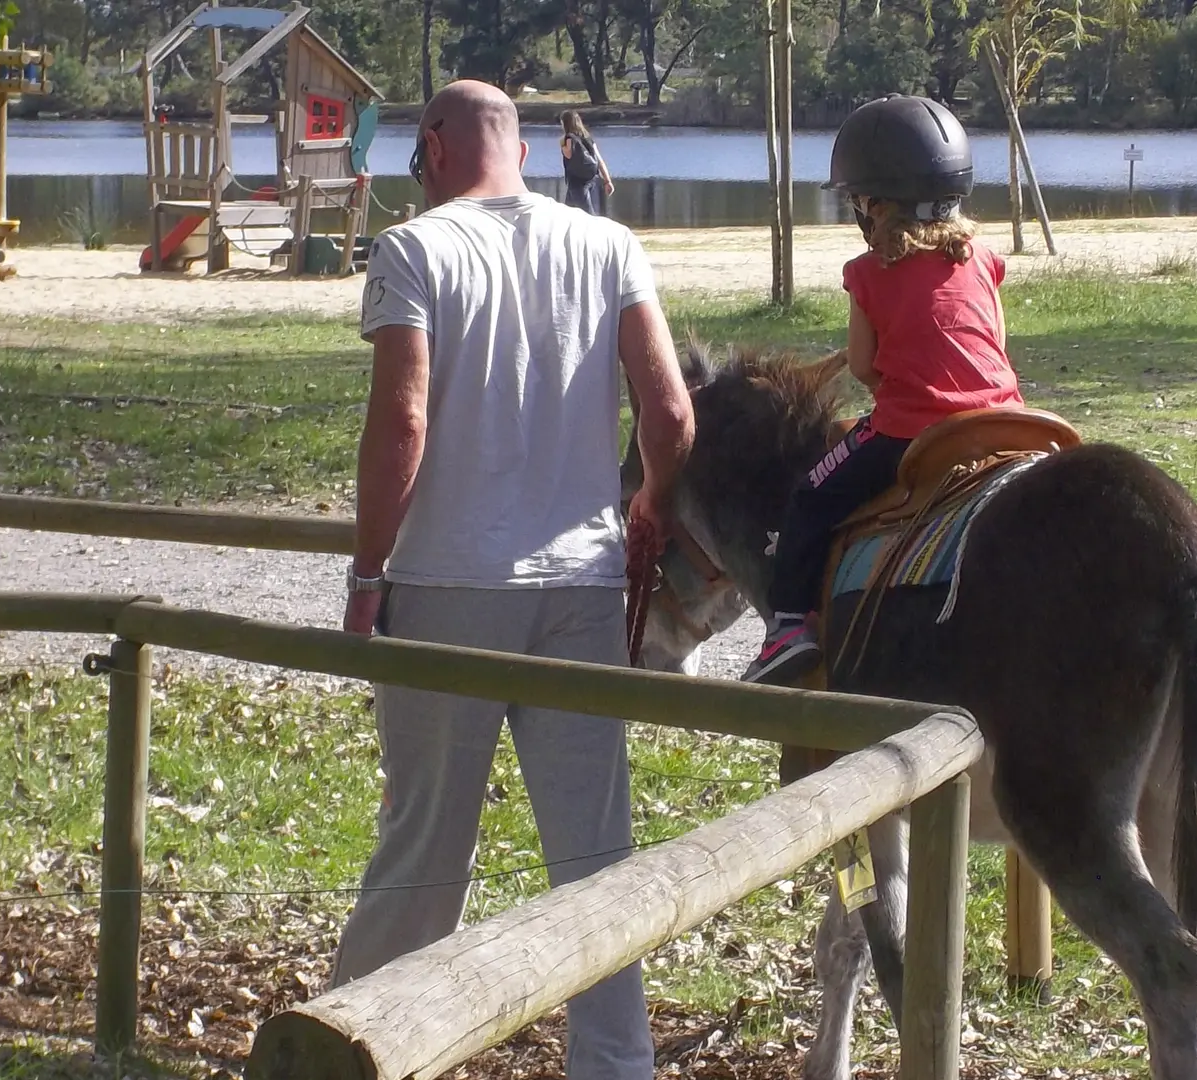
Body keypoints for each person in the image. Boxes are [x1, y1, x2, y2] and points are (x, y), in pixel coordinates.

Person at [335, 79, 694, 1080]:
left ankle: (360, 1048)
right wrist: (650, 502)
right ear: (526, 153)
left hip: (450, 585)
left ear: (434, 147)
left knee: (424, 848)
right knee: (594, 854)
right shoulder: (608, 243)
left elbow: (403, 422)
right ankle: (616, 1065)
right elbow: (670, 414)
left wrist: (367, 572)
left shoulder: (412, 248)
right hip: (582, 585)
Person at [742, 94, 1025, 686]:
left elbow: (866, 369)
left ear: (875, 204)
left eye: (858, 200)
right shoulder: (982, 260)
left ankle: (788, 628)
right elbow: (996, 341)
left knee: (811, 496)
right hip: (1007, 423)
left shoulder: (868, 273)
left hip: (911, 433)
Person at [560, 109, 614, 215]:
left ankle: (596, 226)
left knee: (587, 214)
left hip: (577, 182)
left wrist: (562, 145)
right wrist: (607, 181)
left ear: (565, 123)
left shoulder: (569, 138)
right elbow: (600, 161)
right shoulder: (588, 138)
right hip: (591, 178)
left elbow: (569, 154)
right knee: (568, 213)